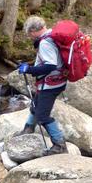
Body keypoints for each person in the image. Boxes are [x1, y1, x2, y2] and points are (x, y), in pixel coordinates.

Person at [18, 16, 67, 155]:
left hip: (50, 84)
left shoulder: (45, 42)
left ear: (34, 30)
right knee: (35, 104)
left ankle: (59, 145)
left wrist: (29, 69)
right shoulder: (52, 36)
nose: (29, 36)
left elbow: (50, 65)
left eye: (29, 33)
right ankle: (28, 129)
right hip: (57, 81)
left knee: (42, 115)